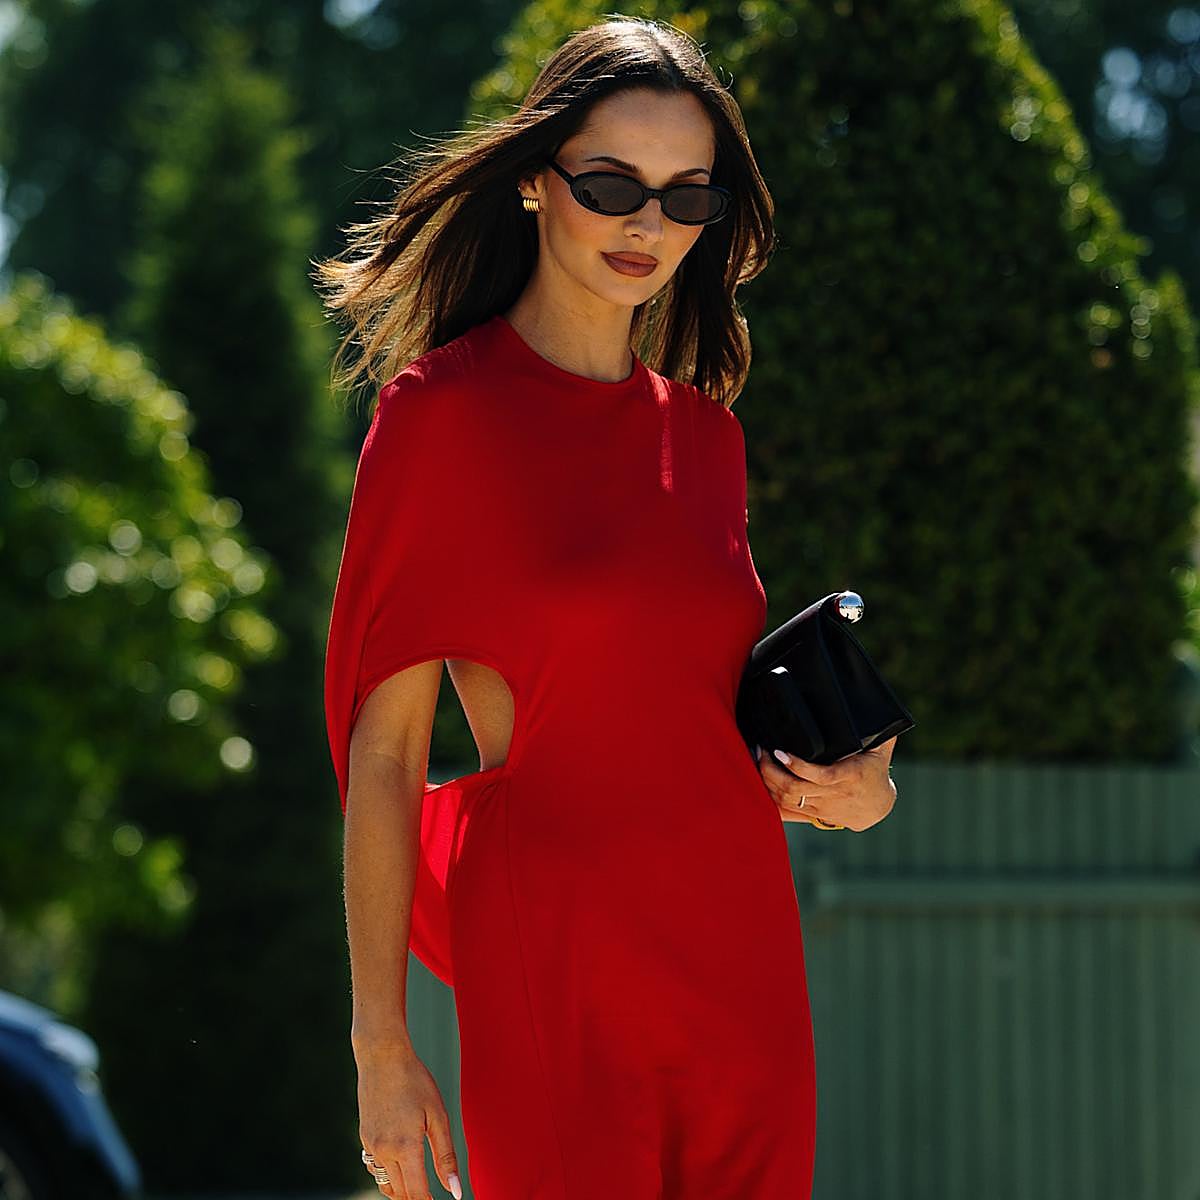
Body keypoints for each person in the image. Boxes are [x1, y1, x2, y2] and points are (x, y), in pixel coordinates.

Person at [313, 15, 896, 1200]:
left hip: (742, 962)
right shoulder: (440, 423)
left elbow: (688, 721)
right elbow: (384, 756)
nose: (648, 224)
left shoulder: (709, 440)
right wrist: (382, 1045)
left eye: (688, 197)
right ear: (536, 181)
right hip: (559, 956)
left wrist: (857, 789)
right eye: (611, 182)